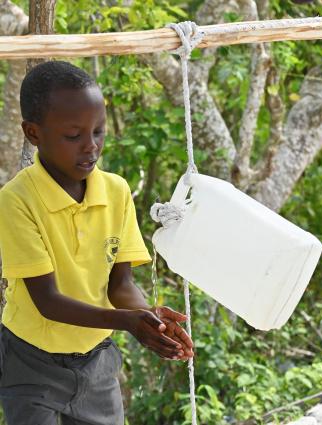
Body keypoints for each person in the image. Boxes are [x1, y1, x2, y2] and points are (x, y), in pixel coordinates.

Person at [0, 60, 194, 425]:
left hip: (96, 362)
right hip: (30, 363)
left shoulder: (116, 190)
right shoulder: (16, 200)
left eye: (99, 132)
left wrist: (149, 318)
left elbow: (120, 285)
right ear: (33, 133)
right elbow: (48, 302)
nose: (91, 147)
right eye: (74, 136)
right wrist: (128, 322)